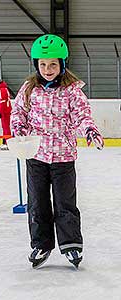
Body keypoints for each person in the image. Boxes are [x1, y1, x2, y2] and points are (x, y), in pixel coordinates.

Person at [11, 34, 104, 269]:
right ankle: (41, 244)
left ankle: (71, 243)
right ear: (36, 65)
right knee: (37, 203)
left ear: (62, 64)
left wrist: (90, 130)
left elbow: (82, 115)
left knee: (65, 203)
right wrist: (19, 130)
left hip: (63, 156)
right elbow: (18, 113)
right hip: (36, 155)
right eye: (42, 64)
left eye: (53, 64)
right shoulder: (29, 88)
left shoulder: (72, 91)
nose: (47, 69)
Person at [0, 77, 12, 150]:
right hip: (4, 110)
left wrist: (1, 111)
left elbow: (3, 101)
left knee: (6, 127)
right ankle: (5, 142)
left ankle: (7, 143)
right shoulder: (1, 89)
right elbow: (0, 101)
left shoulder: (1, 90)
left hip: (5, 111)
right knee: (5, 127)